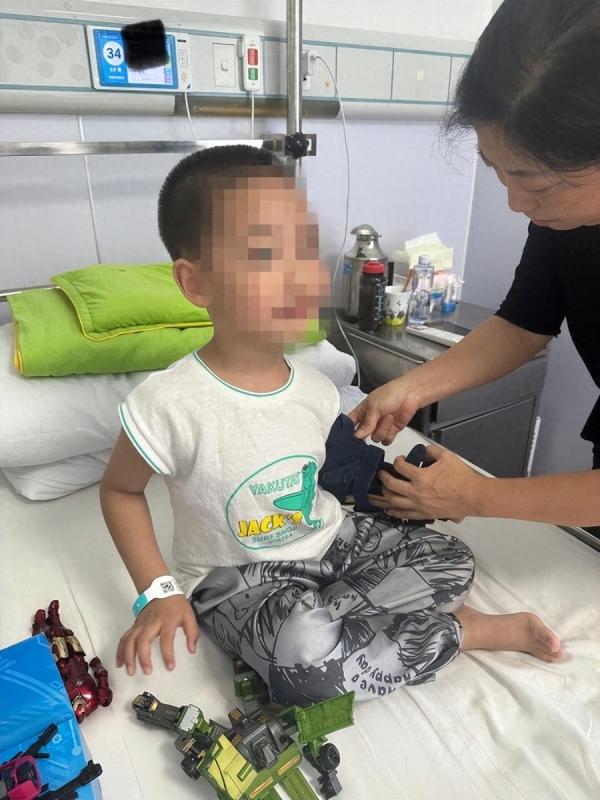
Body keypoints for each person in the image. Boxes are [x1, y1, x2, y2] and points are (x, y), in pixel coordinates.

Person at [100, 145, 560, 708]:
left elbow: (329, 475)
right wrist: (158, 592)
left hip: (331, 542)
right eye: (266, 253)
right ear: (196, 283)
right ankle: (461, 631)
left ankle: (333, 624)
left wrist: (394, 488)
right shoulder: (169, 402)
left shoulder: (318, 389)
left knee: (452, 561)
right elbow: (120, 491)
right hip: (238, 577)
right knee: (306, 668)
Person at [350, 0, 600, 529]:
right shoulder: (568, 219)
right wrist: (412, 387)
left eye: (536, 183)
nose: (516, 203)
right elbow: (523, 323)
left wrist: (479, 496)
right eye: (497, 171)